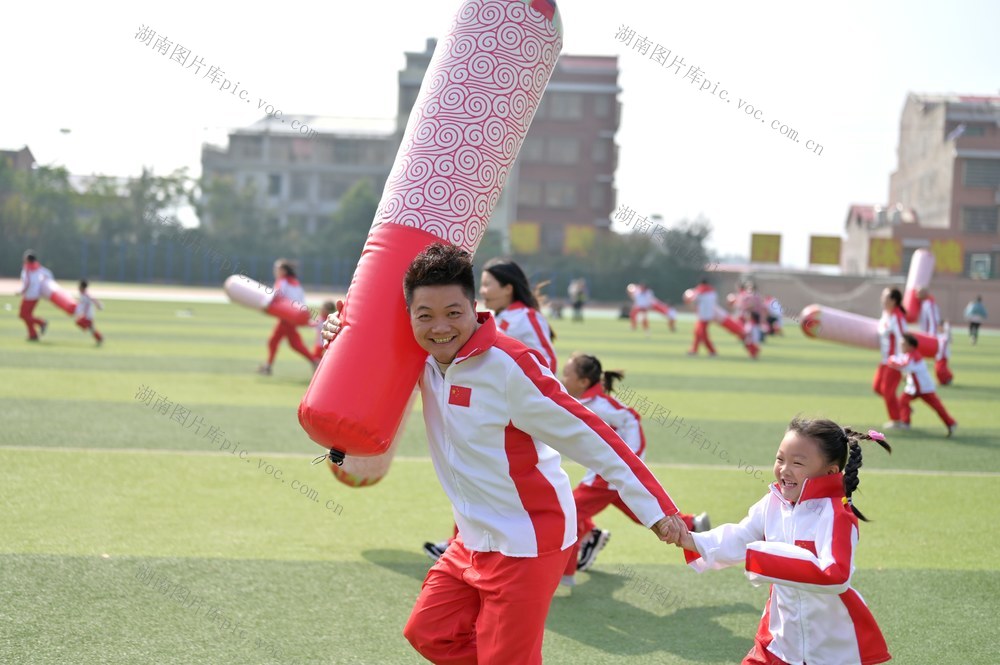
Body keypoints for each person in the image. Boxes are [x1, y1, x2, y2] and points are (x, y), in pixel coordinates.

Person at [321, 243, 685, 664]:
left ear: (474, 306)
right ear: (410, 316)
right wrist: (336, 334)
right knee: (429, 633)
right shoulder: (413, 351)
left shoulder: (510, 366)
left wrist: (655, 509)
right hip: (471, 535)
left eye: (453, 313)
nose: (440, 327)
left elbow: (593, 435)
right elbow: (362, 353)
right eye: (425, 315)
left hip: (528, 540)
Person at [667, 417, 892, 665]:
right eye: (780, 459)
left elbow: (836, 575)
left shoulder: (836, 513)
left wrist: (763, 559)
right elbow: (741, 536)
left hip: (830, 650)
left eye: (797, 462)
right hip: (778, 640)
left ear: (830, 472)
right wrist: (691, 540)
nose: (784, 469)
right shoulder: (773, 502)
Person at [423, 257, 558, 560]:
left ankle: (573, 539)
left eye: (487, 283)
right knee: (475, 472)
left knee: (518, 480)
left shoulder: (526, 317)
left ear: (509, 287)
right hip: (487, 406)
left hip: (522, 409)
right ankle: (461, 542)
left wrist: (535, 400)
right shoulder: (497, 317)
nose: (482, 289)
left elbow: (547, 361)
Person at [559, 352, 709, 584]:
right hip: (607, 474)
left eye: (566, 374)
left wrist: (631, 461)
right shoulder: (582, 401)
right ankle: (691, 524)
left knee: (570, 510)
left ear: (583, 382)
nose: (562, 378)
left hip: (608, 475)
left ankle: (565, 573)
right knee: (641, 511)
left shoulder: (601, 405)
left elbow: (631, 419)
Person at [889, 333, 958, 436]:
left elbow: (903, 365)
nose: (901, 346)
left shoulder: (914, 356)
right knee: (903, 401)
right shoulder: (910, 354)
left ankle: (951, 423)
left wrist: (890, 359)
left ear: (910, 346)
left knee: (937, 407)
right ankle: (906, 422)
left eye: (903, 344)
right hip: (914, 388)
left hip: (924, 388)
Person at [257, 259, 317, 375]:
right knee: (281, 342)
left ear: (283, 271)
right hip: (294, 315)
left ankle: (314, 361)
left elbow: (276, 295)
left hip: (287, 316)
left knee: (290, 343)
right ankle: (268, 366)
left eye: (277, 268)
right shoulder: (295, 282)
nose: (275, 271)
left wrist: (265, 305)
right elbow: (301, 300)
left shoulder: (282, 281)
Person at [874, 287, 907, 429]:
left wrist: (903, 363)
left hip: (895, 360)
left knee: (888, 391)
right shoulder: (886, 314)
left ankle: (897, 420)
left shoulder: (897, 317)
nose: (882, 299)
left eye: (885, 297)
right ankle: (902, 408)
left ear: (893, 301)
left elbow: (902, 339)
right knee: (877, 387)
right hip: (885, 359)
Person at [916, 288, 952, 385]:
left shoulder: (930, 304)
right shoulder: (924, 304)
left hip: (934, 338)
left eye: (919, 293)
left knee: (940, 361)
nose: (916, 295)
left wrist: (931, 338)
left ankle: (946, 378)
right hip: (927, 336)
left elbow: (934, 321)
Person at [16, 250, 53, 342]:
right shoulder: (38, 267)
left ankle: (42, 322)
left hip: (29, 296)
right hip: (36, 295)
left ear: (27, 259)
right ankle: (33, 335)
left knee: (23, 315)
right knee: (28, 316)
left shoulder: (27, 269)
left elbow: (27, 283)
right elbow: (49, 274)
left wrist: (21, 291)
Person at [687, 278, 717, 356]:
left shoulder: (699, 290)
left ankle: (712, 350)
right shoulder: (712, 291)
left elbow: (693, 301)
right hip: (709, 315)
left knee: (702, 333)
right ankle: (694, 350)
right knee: (697, 333)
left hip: (702, 315)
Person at [74, 280, 104, 346]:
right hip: (86, 315)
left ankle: (100, 338)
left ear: (82, 287)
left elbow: (93, 299)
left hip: (88, 315)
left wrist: (99, 305)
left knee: (84, 324)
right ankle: (99, 338)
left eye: (79, 286)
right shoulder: (83, 294)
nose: (78, 288)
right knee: (90, 328)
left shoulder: (86, 295)